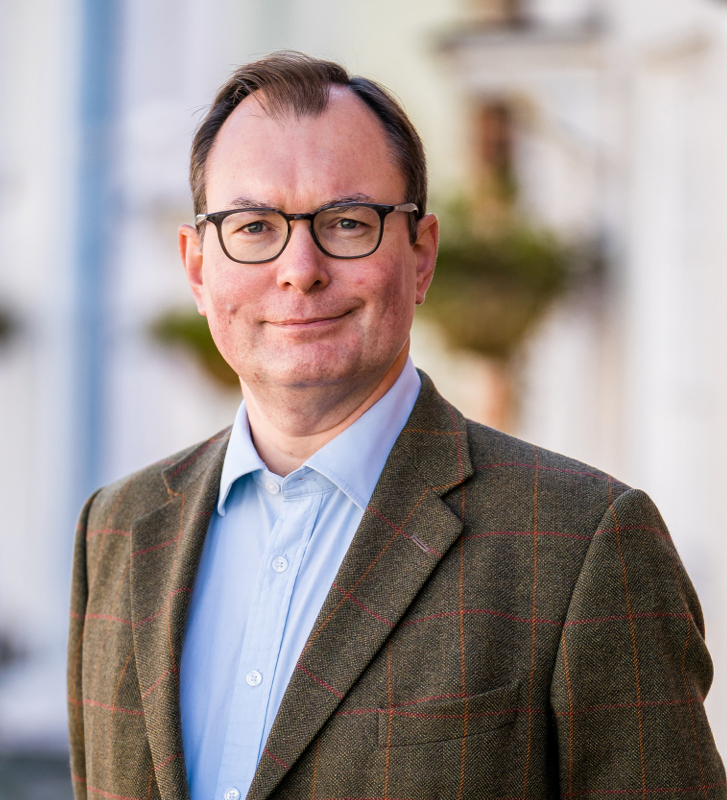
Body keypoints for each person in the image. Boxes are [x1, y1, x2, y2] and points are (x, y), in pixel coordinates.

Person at [67, 51, 724, 800]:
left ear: (421, 256)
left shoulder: (584, 546)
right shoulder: (116, 531)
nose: (300, 268)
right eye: (253, 226)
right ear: (196, 267)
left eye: (347, 223)